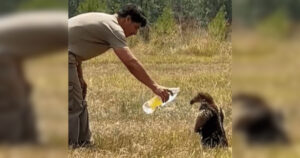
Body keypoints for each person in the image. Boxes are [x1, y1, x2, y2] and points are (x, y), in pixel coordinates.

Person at [68, 4, 172, 147]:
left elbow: (75, 47)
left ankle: (83, 143)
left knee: (78, 98)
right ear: (127, 19)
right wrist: (155, 87)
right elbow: (130, 62)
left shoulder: (106, 21)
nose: (135, 33)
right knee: (73, 103)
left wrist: (80, 77)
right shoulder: (114, 28)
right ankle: (70, 146)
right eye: (135, 27)